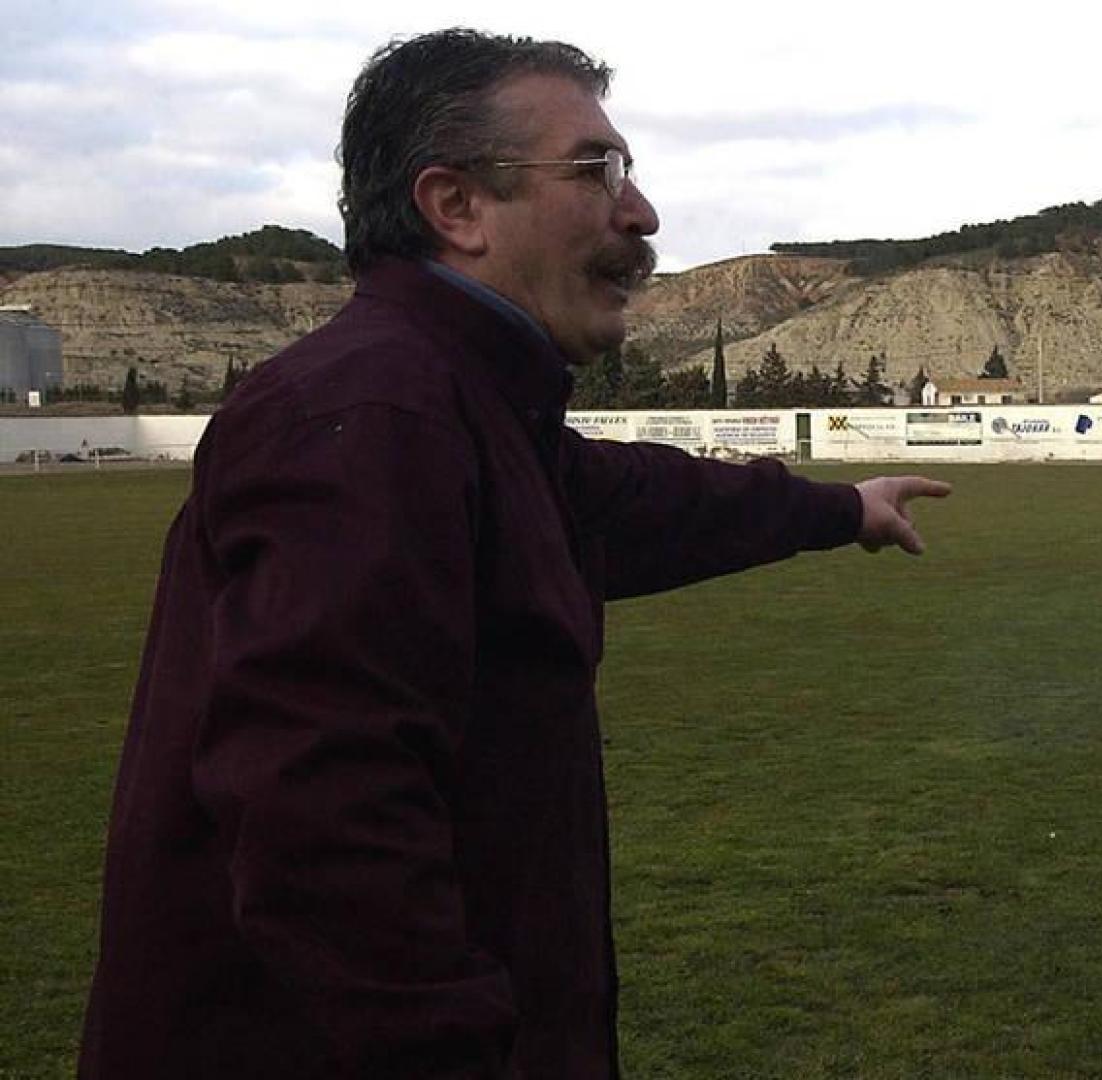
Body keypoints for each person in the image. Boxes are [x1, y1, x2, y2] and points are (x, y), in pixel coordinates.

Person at [79, 29, 950, 1080]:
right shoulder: (374, 413)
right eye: (597, 171)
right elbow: (327, 826)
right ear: (456, 208)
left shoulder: (468, 407)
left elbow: (640, 503)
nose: (641, 212)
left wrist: (838, 509)